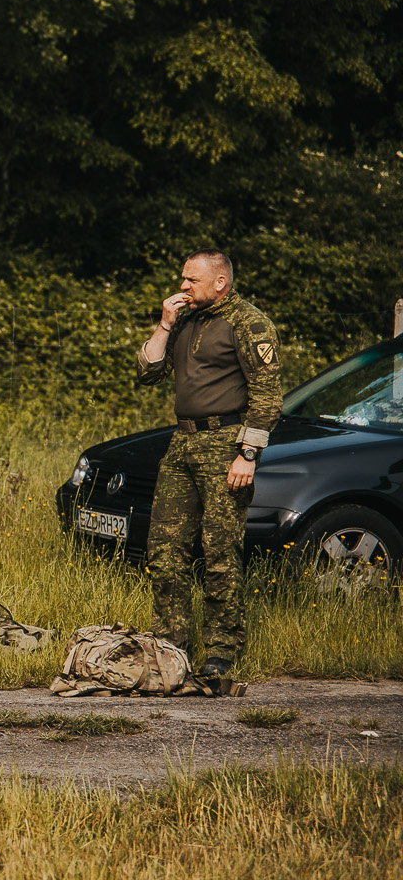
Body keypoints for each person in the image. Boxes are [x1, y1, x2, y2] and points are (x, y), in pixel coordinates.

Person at [135, 249, 281, 679]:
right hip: (183, 442)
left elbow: (267, 395)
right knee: (164, 548)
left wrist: (248, 453)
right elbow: (147, 373)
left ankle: (221, 651)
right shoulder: (185, 319)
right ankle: (170, 644)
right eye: (182, 279)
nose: (182, 287)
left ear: (220, 282)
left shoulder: (249, 321)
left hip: (226, 444)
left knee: (219, 552)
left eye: (191, 280)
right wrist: (163, 324)